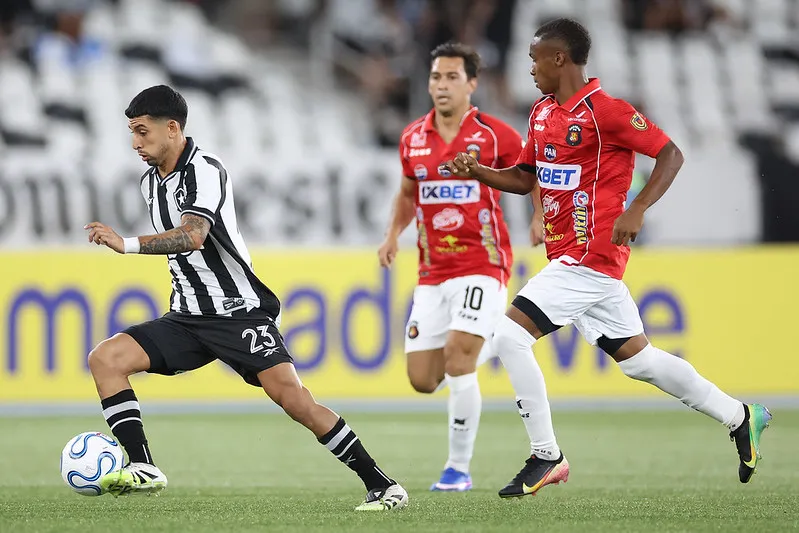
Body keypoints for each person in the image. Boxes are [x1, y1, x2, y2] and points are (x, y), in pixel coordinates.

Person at [443, 18, 771, 498]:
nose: (529, 67)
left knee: (509, 335)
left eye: (536, 58)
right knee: (640, 362)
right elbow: (524, 178)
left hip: (591, 256)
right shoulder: (541, 114)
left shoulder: (607, 112)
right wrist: (480, 172)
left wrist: (637, 207)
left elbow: (671, 154)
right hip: (571, 259)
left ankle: (546, 454)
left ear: (560, 59)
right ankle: (740, 416)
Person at [84, 85, 408, 511]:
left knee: (296, 401)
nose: (135, 143)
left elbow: (193, 236)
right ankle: (143, 466)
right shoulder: (151, 181)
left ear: (172, 128)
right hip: (186, 318)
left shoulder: (205, 170)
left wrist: (124, 244)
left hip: (236, 314)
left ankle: (384, 486)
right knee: (105, 359)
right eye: (131, 132)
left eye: (142, 132)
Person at [378, 42, 523, 492]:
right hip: (433, 271)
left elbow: (532, 175)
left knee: (460, 358)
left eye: (452, 77)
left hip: (483, 262)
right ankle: (496, 340)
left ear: (472, 83)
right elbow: (407, 194)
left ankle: (457, 469)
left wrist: (540, 216)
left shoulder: (496, 134)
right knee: (422, 379)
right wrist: (391, 235)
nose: (441, 85)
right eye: (436, 77)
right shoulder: (412, 138)